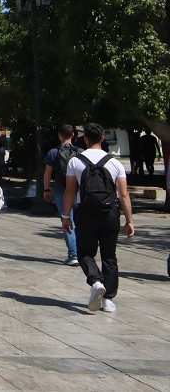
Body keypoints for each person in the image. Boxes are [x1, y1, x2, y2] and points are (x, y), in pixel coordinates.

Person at [62, 122, 134, 313]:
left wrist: (66, 215)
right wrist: (129, 220)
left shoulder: (75, 161)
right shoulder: (115, 163)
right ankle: (108, 300)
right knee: (109, 256)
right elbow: (124, 194)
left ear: (84, 138)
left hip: (85, 212)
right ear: (102, 138)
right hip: (110, 213)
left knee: (85, 252)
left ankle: (95, 281)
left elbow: (70, 191)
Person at [42, 124, 81, 266]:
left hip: (61, 191)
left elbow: (47, 173)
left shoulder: (53, 153)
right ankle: (83, 253)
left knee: (67, 223)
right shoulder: (81, 152)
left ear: (59, 135)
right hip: (79, 192)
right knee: (81, 223)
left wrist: (46, 189)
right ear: (73, 135)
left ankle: (73, 255)